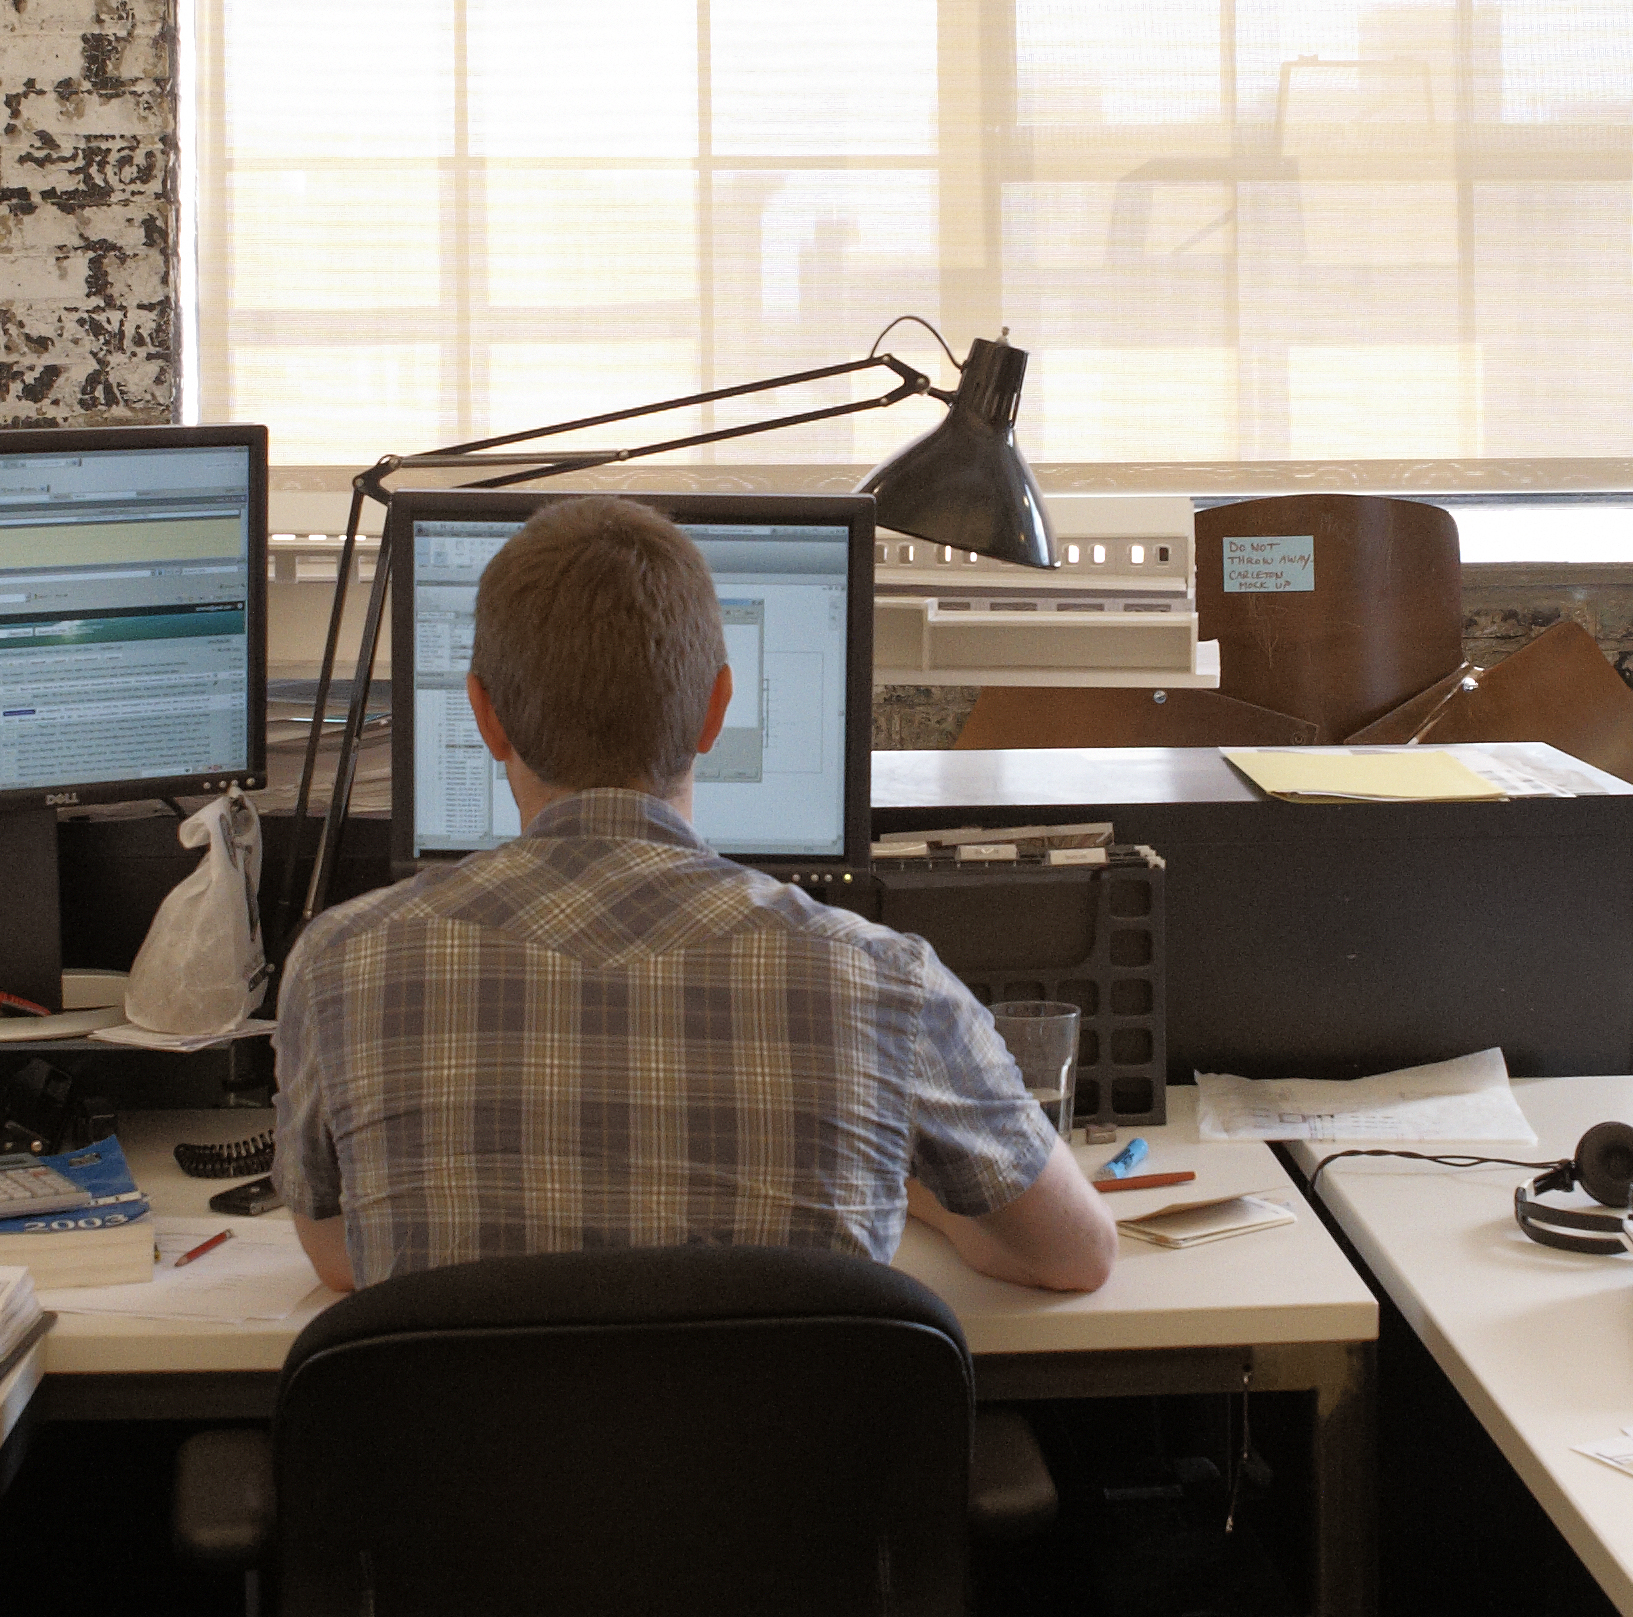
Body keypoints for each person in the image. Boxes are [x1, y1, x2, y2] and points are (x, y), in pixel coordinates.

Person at [274, 495, 1118, 1305]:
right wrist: (917, 1190)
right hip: (782, 1460)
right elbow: (1077, 1256)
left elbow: (337, 1255)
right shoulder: (887, 985)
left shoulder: (339, 966)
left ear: (485, 718)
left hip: (473, 1455)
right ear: (717, 709)